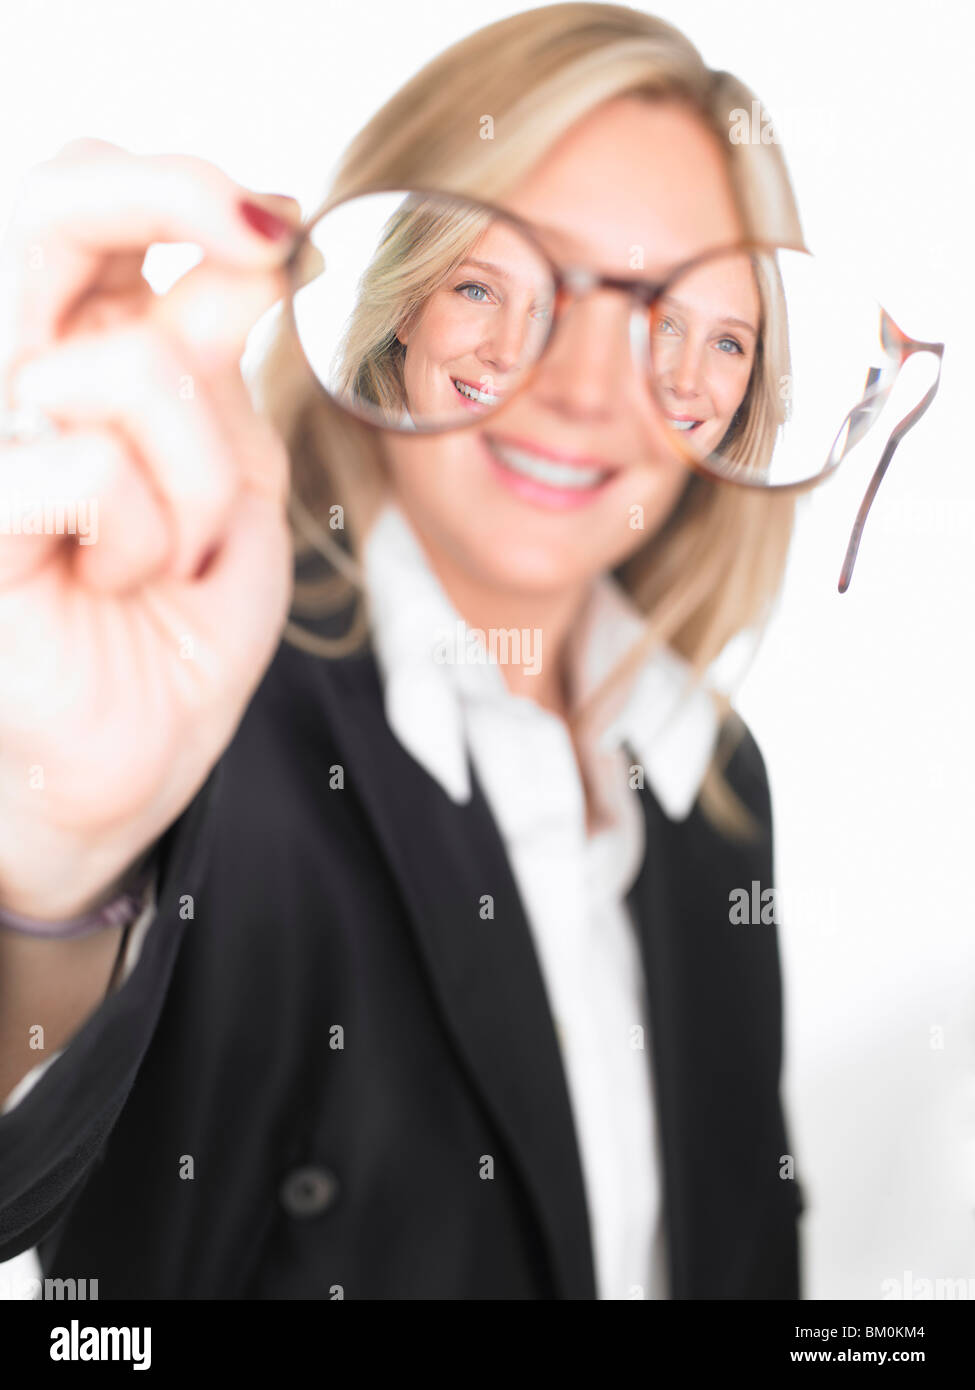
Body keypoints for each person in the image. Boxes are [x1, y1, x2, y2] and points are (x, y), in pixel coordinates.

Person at [0, 3, 805, 1299]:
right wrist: (41, 868)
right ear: (405, 304)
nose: (587, 388)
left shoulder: (713, 773)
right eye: (496, 283)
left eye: (689, 324)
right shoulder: (200, 701)